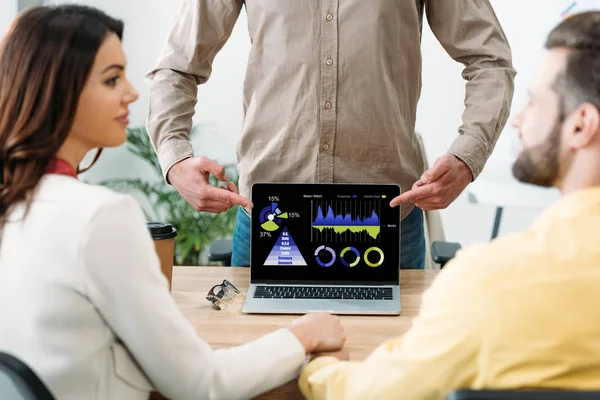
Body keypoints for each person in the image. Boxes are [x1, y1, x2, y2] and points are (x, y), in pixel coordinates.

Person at [0, 6, 346, 400]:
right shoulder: (100, 218)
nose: (132, 93)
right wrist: (302, 335)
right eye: (112, 79)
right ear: (57, 90)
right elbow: (202, 385)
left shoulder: (17, 206)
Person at [298, 11, 600, 400]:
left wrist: (315, 364)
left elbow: (373, 393)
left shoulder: (490, 284)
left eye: (534, 101)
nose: (518, 120)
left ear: (580, 125)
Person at [146, 0, 516, 269]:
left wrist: (468, 155)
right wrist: (175, 156)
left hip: (387, 222)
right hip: (271, 217)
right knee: (263, 370)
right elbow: (176, 67)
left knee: (385, 372)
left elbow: (490, 61)